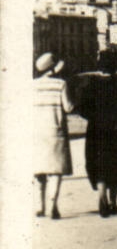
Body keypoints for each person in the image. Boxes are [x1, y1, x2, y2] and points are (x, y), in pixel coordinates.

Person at [77, 50, 117, 217]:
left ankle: (102, 197)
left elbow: (82, 108)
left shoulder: (92, 85)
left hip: (96, 131)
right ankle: (113, 202)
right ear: (115, 66)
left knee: (99, 166)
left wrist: (94, 117)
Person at [35, 54, 75, 219]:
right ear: (53, 68)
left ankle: (40, 206)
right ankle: (53, 205)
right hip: (55, 132)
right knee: (55, 171)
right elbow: (68, 107)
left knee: (38, 171)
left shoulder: (31, 86)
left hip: (35, 132)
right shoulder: (60, 84)